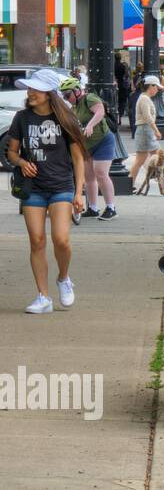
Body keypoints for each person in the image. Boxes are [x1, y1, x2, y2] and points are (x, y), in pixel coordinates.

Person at [4, 68, 87, 313]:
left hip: (61, 185)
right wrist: (21, 162)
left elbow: (78, 158)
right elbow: (11, 152)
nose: (30, 93)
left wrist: (79, 192)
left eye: (35, 89)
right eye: (29, 89)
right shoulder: (22, 118)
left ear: (48, 93)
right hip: (33, 189)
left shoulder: (66, 118)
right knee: (37, 241)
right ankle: (43, 297)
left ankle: (64, 278)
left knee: (61, 239)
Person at [59, 76, 117, 221]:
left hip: (103, 141)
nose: (67, 98)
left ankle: (111, 208)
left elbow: (100, 112)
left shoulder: (89, 98)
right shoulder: (73, 107)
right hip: (86, 145)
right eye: (64, 96)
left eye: (68, 95)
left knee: (101, 173)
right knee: (89, 177)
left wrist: (91, 125)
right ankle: (93, 208)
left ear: (77, 91)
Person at [127, 75, 164, 192]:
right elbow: (148, 117)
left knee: (143, 160)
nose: (157, 90)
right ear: (151, 86)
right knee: (151, 159)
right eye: (156, 87)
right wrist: (156, 131)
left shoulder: (143, 98)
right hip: (145, 131)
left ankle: (130, 185)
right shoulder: (144, 99)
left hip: (145, 131)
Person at [114, 53, 131, 118]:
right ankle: (120, 114)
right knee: (122, 101)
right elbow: (126, 75)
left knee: (115, 99)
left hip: (114, 83)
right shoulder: (122, 66)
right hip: (121, 84)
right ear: (120, 58)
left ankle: (116, 113)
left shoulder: (112, 65)